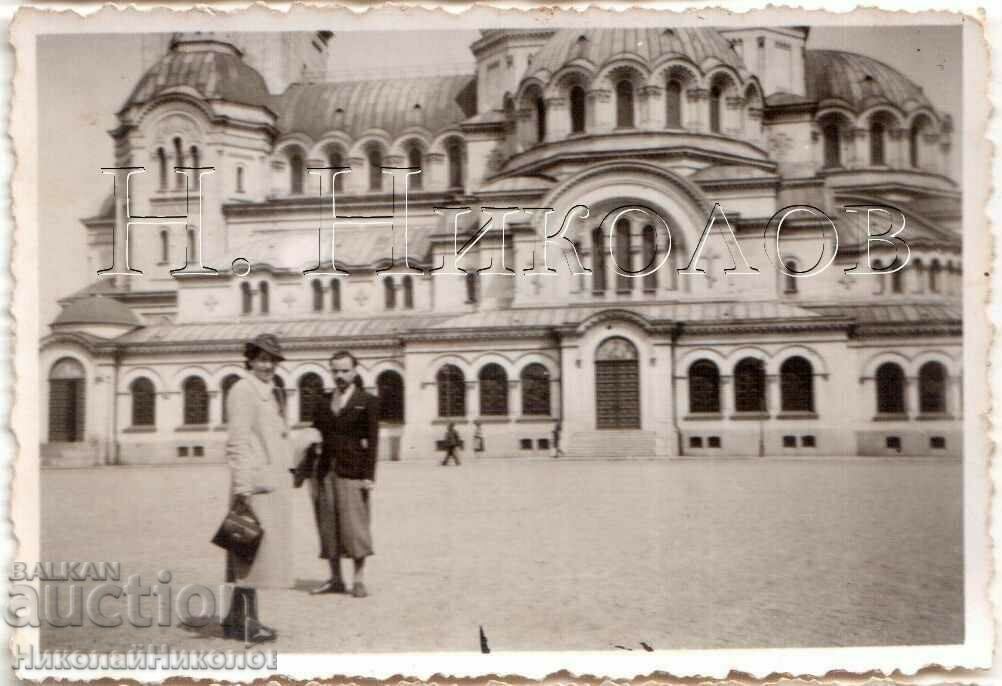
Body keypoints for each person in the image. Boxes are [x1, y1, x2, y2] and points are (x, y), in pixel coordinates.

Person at [221, 333, 292, 643]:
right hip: (252, 483)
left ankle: (234, 618)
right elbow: (237, 440)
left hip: (267, 480)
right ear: (250, 358)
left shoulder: (269, 391)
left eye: (272, 360)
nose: (268, 365)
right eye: (262, 359)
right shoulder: (243, 390)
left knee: (247, 551)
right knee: (248, 551)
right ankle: (247, 621)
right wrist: (242, 488)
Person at [312, 351, 380, 598]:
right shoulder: (322, 401)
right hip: (325, 472)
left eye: (344, 371)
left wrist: (369, 476)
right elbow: (315, 435)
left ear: (355, 371)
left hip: (353, 471)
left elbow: (373, 442)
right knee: (328, 526)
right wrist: (303, 470)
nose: (339, 375)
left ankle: (359, 579)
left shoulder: (368, 401)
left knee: (355, 528)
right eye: (335, 371)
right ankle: (335, 578)